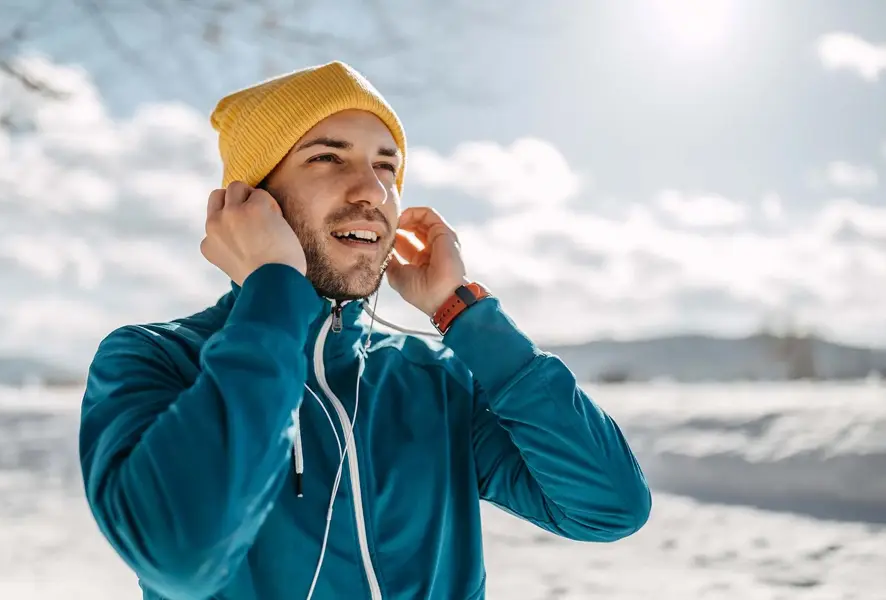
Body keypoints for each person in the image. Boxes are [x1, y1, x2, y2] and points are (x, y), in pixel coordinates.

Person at [79, 61, 651, 600]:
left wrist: (465, 316)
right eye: (328, 158)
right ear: (253, 202)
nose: (374, 192)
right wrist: (273, 290)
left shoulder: (434, 380)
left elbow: (609, 508)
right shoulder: (155, 360)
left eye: (386, 166)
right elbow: (180, 556)